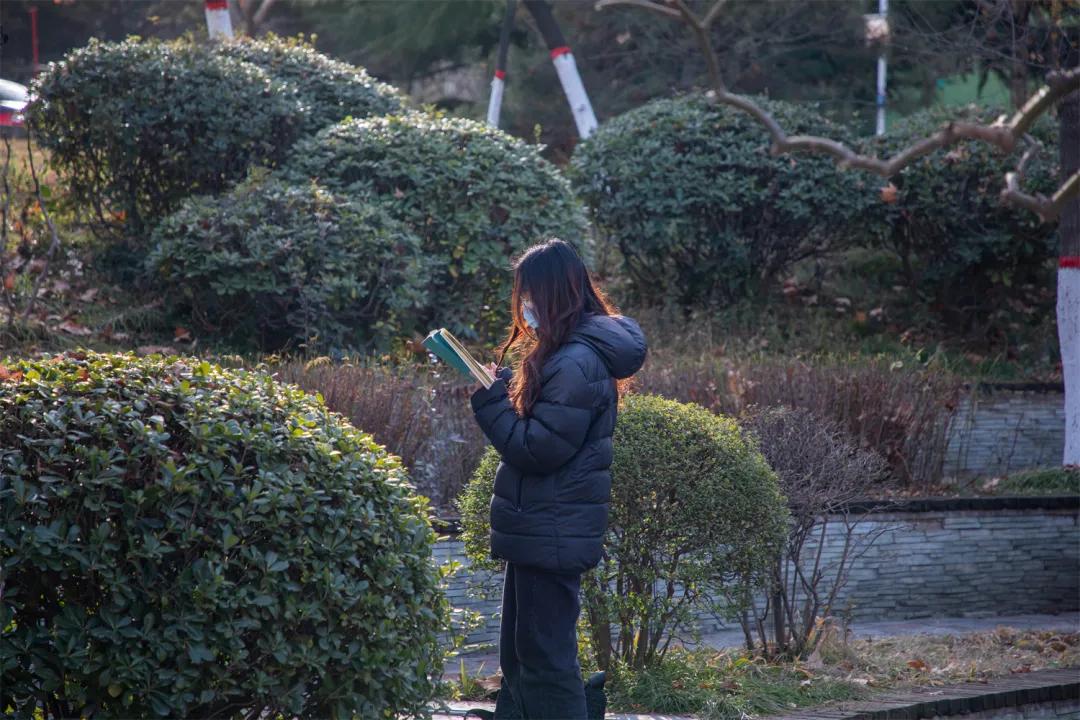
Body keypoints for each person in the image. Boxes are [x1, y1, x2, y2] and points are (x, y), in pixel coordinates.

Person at [469, 238, 648, 719]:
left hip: (552, 529)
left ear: (551, 294)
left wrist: (489, 404)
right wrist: (503, 389)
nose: (524, 307)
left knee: (545, 659)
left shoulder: (575, 361)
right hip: (542, 527)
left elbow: (538, 449)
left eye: (529, 294)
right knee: (524, 655)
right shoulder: (569, 352)